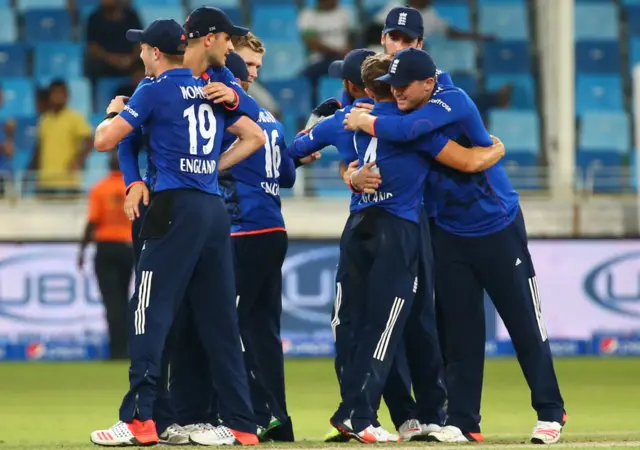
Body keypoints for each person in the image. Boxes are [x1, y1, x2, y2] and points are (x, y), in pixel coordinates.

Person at [346, 48, 566, 444]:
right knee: (460, 335)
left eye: (404, 86)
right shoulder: (397, 113)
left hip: (496, 226)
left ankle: (550, 412)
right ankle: (465, 422)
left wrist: (366, 120)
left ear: (428, 83)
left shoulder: (452, 99)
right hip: (446, 232)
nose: (396, 92)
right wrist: (352, 173)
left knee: (524, 323)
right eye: (391, 85)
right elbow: (357, 148)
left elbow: (417, 135)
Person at [89, 18, 265, 446]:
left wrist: (112, 114)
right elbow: (254, 136)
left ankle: (138, 419)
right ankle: (242, 423)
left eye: (143, 49)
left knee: (147, 311)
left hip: (172, 208)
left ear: (152, 52)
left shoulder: (154, 89)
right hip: (212, 209)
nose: (140, 55)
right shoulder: (211, 89)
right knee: (220, 320)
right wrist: (210, 167)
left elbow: (105, 141)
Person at [191, 49, 302, 446]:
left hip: (242, 230)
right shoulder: (271, 119)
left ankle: (244, 416)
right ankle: (278, 419)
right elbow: (287, 174)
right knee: (262, 330)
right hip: (273, 230)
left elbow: (202, 154)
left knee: (225, 326)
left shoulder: (228, 116)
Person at [77, 152, 133, 360]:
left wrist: (82, 250)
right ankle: (128, 348)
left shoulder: (100, 188)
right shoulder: (133, 187)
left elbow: (93, 221)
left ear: (109, 165)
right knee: (126, 298)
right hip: (129, 247)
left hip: (107, 247)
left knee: (112, 301)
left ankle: (117, 350)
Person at [30, 80, 93, 198]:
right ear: (49, 96)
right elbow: (39, 148)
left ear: (67, 96)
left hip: (68, 181)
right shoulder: (44, 119)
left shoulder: (75, 118)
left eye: (61, 93)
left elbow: (90, 141)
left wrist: (78, 160)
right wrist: (33, 173)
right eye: (55, 93)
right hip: (45, 181)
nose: (58, 96)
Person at [298, 0, 355, 105]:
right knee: (304, 78)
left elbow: (352, 37)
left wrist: (348, 50)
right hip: (319, 60)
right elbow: (311, 43)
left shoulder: (344, 12)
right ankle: (313, 110)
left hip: (343, 58)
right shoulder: (309, 15)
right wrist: (336, 51)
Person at [85, 0, 143, 80]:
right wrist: (111, 59)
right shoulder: (94, 18)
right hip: (105, 63)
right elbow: (92, 47)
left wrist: (131, 58)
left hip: (131, 62)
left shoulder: (131, 16)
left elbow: (139, 41)